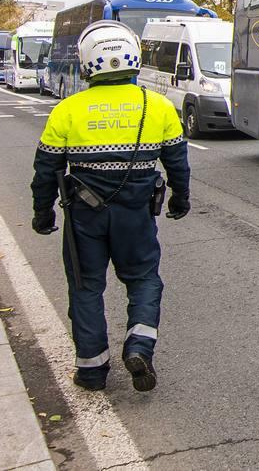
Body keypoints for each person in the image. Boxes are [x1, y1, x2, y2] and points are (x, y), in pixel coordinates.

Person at [30, 20, 191, 392]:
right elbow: (178, 163)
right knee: (144, 280)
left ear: (87, 63)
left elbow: (46, 169)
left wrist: (43, 212)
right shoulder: (159, 106)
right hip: (136, 214)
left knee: (86, 288)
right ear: (134, 58)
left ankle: (91, 370)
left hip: (84, 215)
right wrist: (180, 199)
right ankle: (139, 345)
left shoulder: (67, 110)